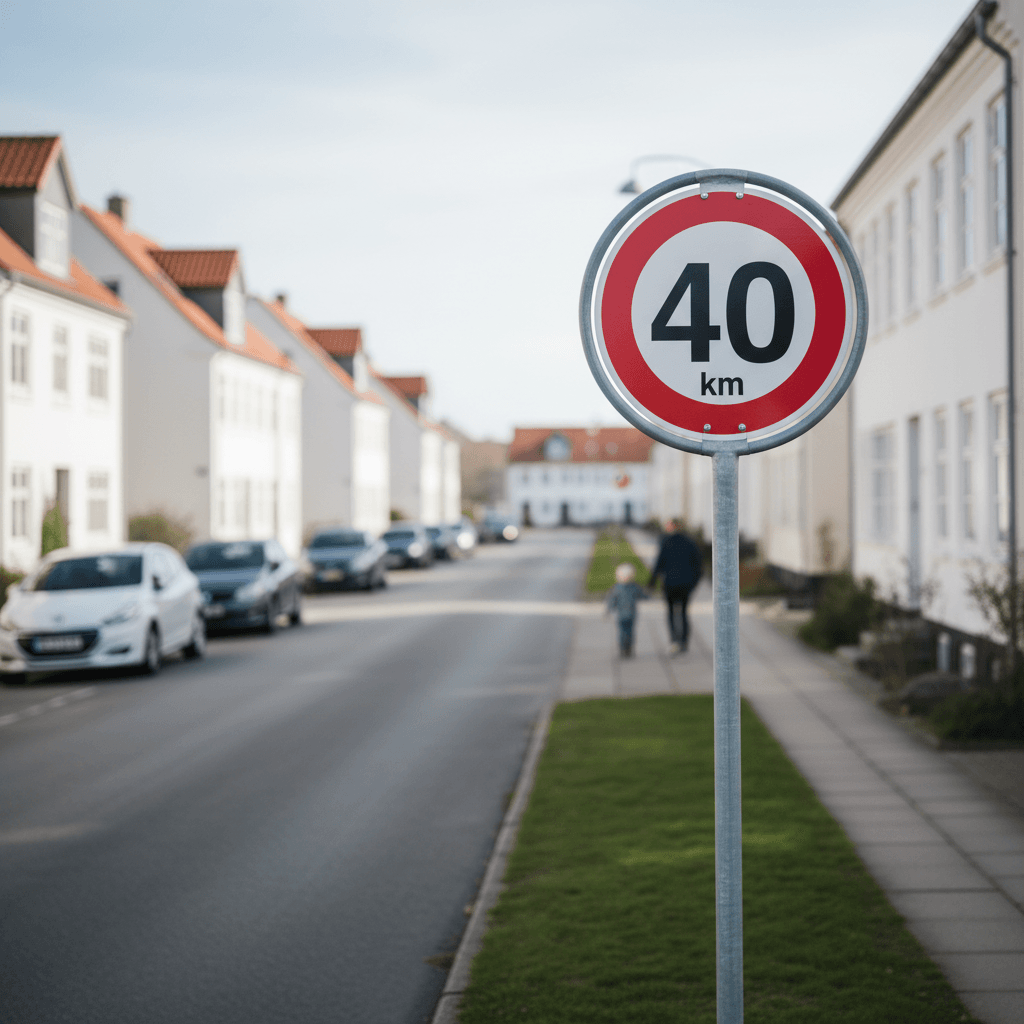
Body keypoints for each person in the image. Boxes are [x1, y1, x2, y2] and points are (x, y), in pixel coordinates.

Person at [650, 519, 703, 654]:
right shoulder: (690, 543)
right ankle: (684, 642)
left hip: (670, 584)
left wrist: (652, 581)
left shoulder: (666, 542)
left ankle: (674, 640)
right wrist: (693, 583)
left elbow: (659, 563)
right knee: (684, 612)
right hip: (686, 584)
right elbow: (698, 566)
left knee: (671, 613)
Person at [605, 562, 647, 658]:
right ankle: (628, 648)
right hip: (631, 614)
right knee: (629, 631)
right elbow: (642, 595)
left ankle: (623, 648)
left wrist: (608, 610)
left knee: (623, 631)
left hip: (622, 615)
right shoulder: (634, 586)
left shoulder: (616, 588)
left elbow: (612, 600)